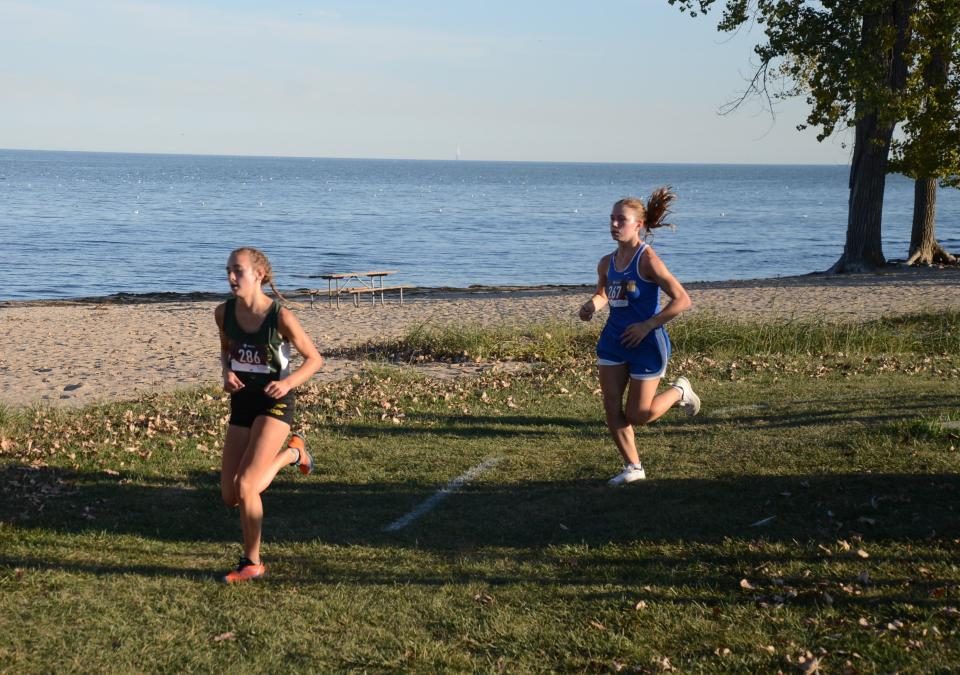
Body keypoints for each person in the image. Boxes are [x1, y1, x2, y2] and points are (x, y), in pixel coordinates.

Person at [215, 247, 324, 582]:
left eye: (239, 271)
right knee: (231, 496)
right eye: (228, 271)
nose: (232, 278)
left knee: (247, 484)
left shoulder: (280, 317)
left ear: (259, 275)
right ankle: (294, 453)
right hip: (243, 402)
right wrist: (226, 373)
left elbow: (315, 359)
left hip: (275, 404)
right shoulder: (223, 313)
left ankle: (252, 563)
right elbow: (224, 351)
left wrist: (288, 382)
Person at [579, 189, 700, 485]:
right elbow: (604, 293)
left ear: (639, 226)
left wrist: (647, 325)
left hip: (646, 343)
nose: (614, 225)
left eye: (622, 220)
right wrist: (591, 306)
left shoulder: (647, 260)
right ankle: (633, 467)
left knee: (639, 413)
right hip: (613, 340)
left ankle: (680, 391)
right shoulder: (606, 262)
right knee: (611, 405)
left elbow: (682, 300)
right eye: (612, 219)